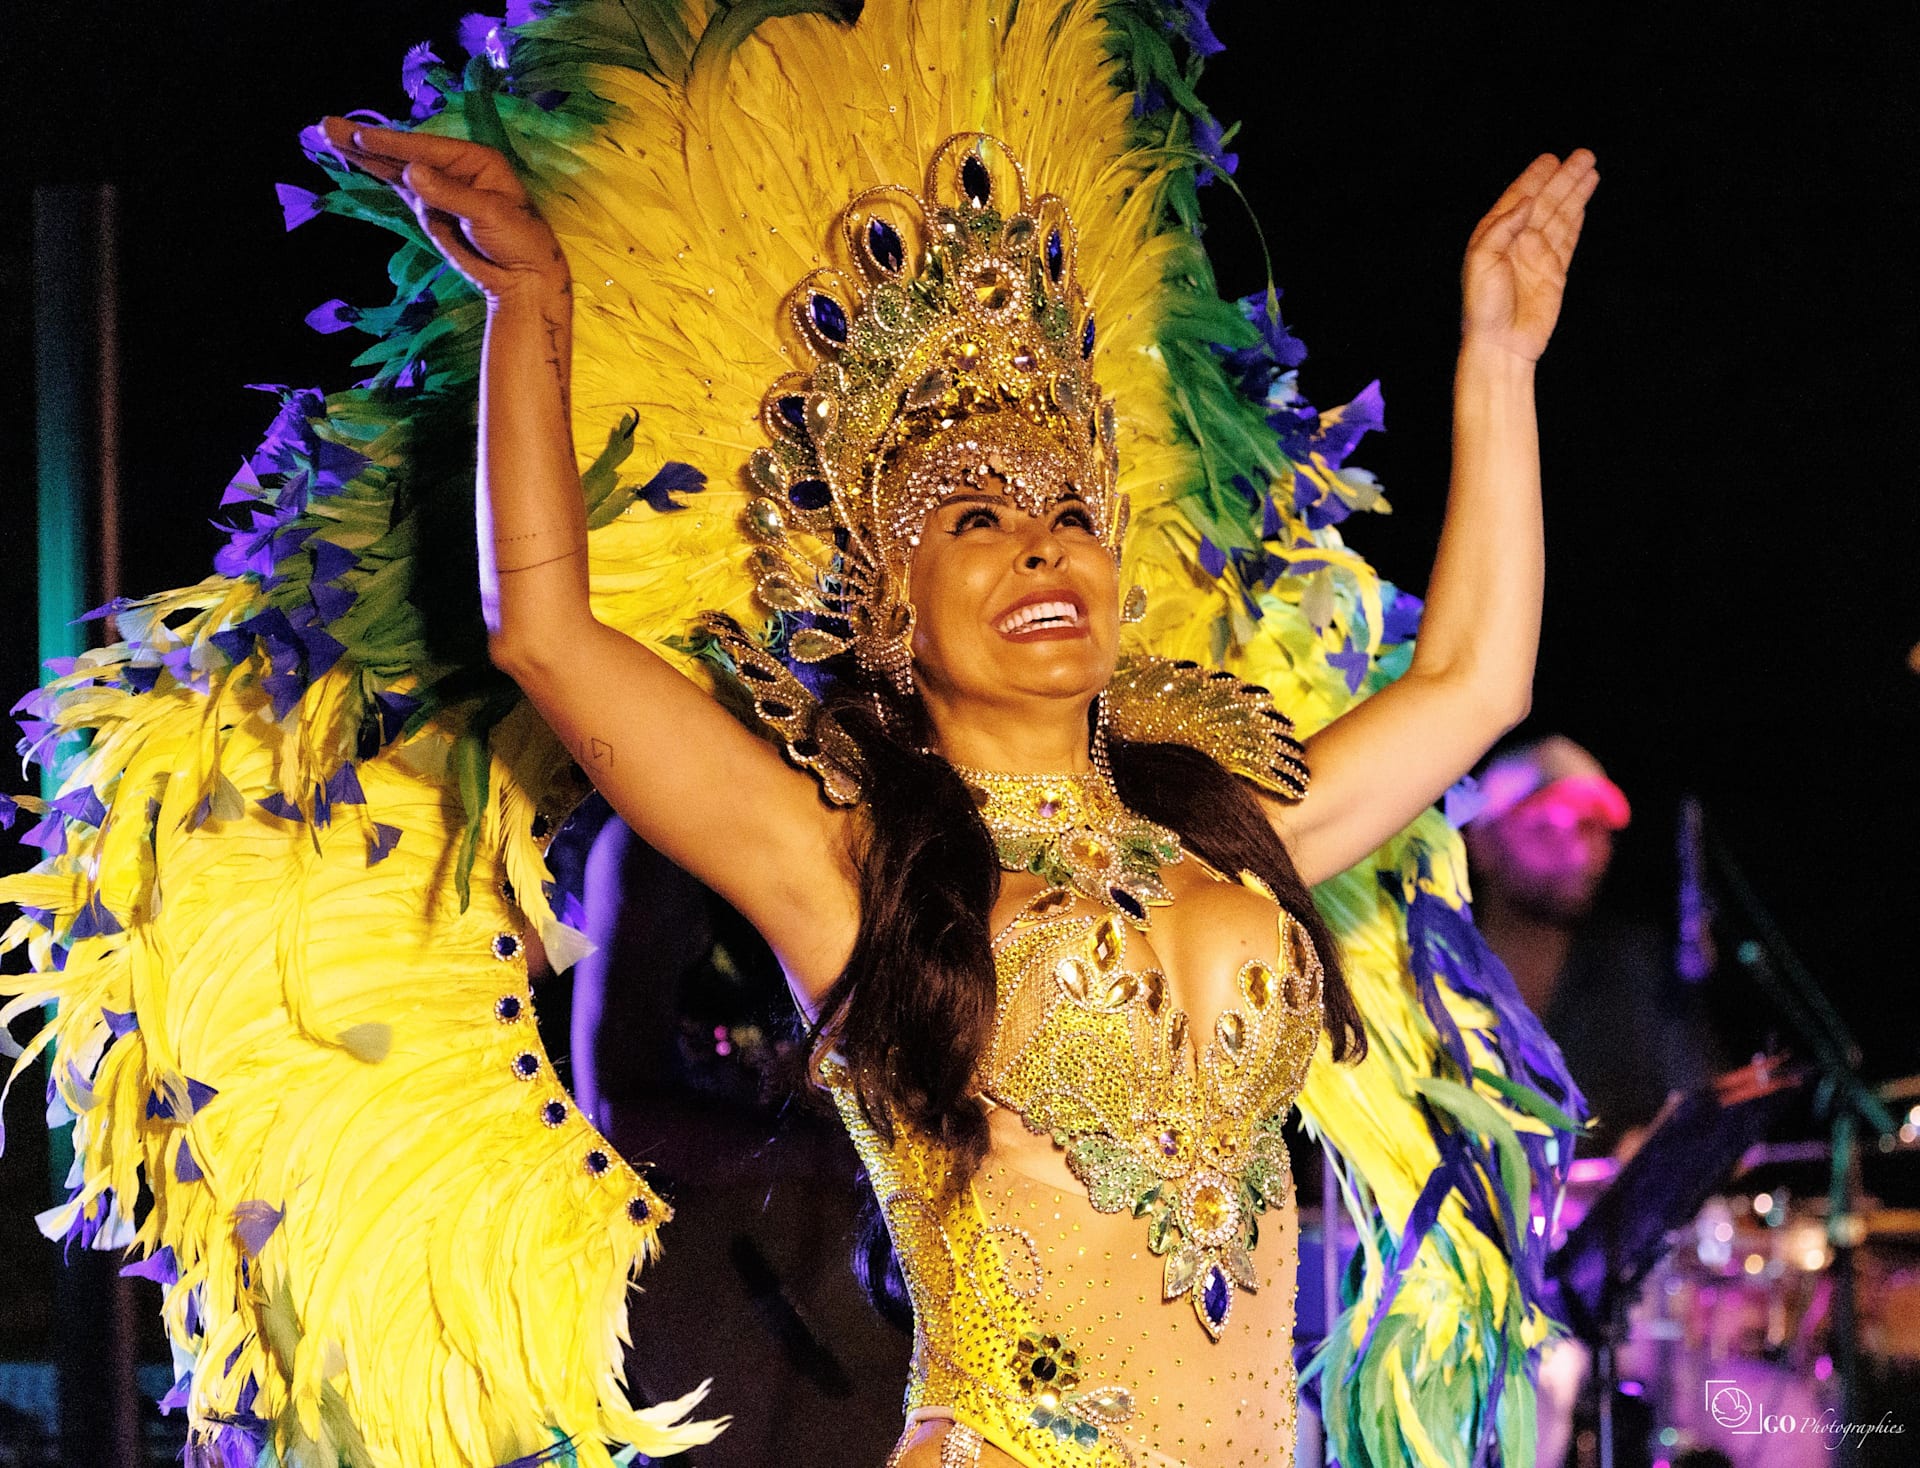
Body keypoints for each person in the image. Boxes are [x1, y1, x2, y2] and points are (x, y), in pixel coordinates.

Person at [311, 76, 1595, 1463]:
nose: (1046, 546)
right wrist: (533, 309)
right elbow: (546, 635)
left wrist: (1500, 359)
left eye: (1067, 514)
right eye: (977, 519)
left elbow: (1476, 682)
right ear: (890, 605)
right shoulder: (848, 865)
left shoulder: (1228, 828)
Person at [1464, 736, 1718, 1160]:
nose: (1580, 851)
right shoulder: (1418, 973)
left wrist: (1665, 1151)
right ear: (1481, 840)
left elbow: (1711, 1114)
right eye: (1549, 826)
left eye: (1593, 828)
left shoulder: (1639, 970)